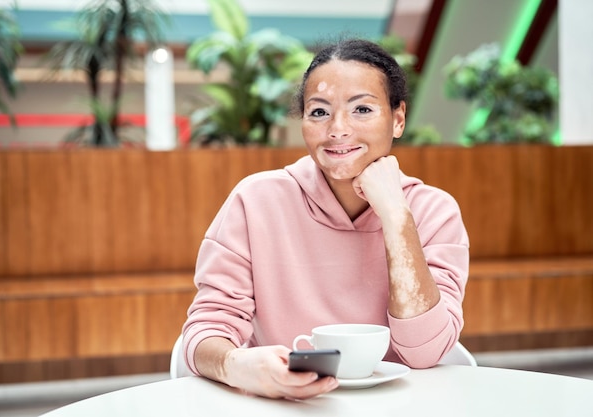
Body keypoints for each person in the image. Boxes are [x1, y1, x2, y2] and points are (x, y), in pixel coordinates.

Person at [181, 38, 469, 400]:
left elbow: (425, 353)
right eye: (319, 112)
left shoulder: (434, 211)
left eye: (362, 110)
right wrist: (237, 365)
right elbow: (207, 329)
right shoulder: (255, 201)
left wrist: (396, 217)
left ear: (397, 119)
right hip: (285, 406)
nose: (337, 130)